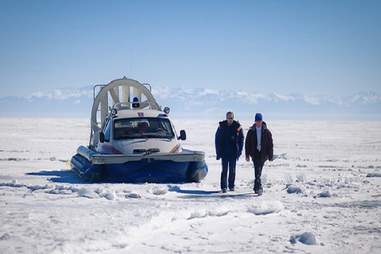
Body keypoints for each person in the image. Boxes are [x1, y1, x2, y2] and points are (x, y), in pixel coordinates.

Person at [245, 113, 273, 195]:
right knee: (257, 169)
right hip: (254, 153)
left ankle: (256, 187)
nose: (258, 122)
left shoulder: (266, 131)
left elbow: (270, 144)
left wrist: (270, 155)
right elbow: (247, 144)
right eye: (257, 121)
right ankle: (259, 188)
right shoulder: (251, 131)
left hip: (263, 154)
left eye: (259, 120)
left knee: (259, 171)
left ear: (262, 121)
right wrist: (247, 155)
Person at [215, 112, 244, 193]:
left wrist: (239, 151)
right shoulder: (222, 126)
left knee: (232, 170)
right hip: (224, 152)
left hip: (233, 153)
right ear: (226, 118)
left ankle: (231, 186)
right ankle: (224, 187)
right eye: (228, 118)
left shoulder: (237, 126)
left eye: (231, 118)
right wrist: (218, 152)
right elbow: (217, 139)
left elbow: (241, 139)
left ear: (233, 118)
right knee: (224, 170)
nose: (230, 120)